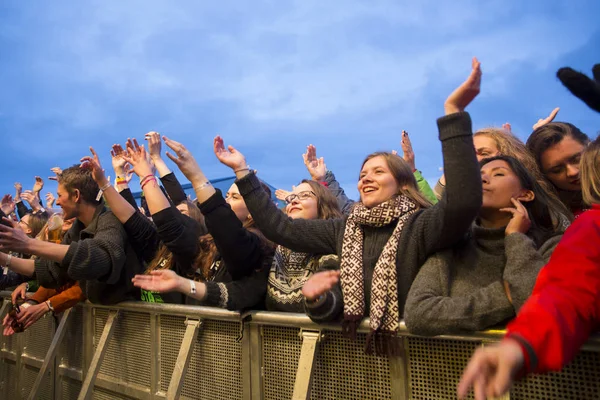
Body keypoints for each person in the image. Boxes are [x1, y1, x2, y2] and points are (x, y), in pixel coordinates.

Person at [210, 58, 484, 353]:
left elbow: (461, 204)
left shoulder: (421, 224)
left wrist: (453, 116)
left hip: (423, 356)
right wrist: (242, 171)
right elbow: (280, 227)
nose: (366, 179)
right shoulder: (345, 229)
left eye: (378, 172)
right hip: (356, 357)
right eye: (362, 174)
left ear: (403, 183)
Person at [457, 134, 600, 400]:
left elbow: (530, 297)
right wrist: (521, 344)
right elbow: (567, 293)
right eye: (471, 161)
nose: (572, 172)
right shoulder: (592, 228)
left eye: (497, 171)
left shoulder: (555, 238)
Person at [404, 156, 565, 336]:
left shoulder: (553, 245)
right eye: (478, 175)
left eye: (498, 174)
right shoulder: (452, 246)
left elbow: (539, 315)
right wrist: (506, 294)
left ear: (525, 194)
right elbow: (418, 315)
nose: (483, 179)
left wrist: (516, 238)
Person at [126, 136, 275, 310]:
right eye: (226, 196)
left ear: (253, 211)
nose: (226, 201)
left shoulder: (257, 246)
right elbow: (170, 223)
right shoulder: (207, 238)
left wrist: (196, 176)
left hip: (229, 333)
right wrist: (147, 172)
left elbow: (227, 230)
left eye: (234, 197)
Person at [0, 165, 144, 305]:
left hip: (134, 321)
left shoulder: (110, 221)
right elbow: (51, 270)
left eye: (59, 195)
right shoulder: (77, 229)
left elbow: (99, 258)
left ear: (76, 195)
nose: (57, 201)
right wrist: (4, 259)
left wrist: (28, 244)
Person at [526, 121, 590, 217]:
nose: (572, 172)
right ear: (543, 176)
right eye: (557, 170)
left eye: (577, 159)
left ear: (590, 146)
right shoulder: (552, 219)